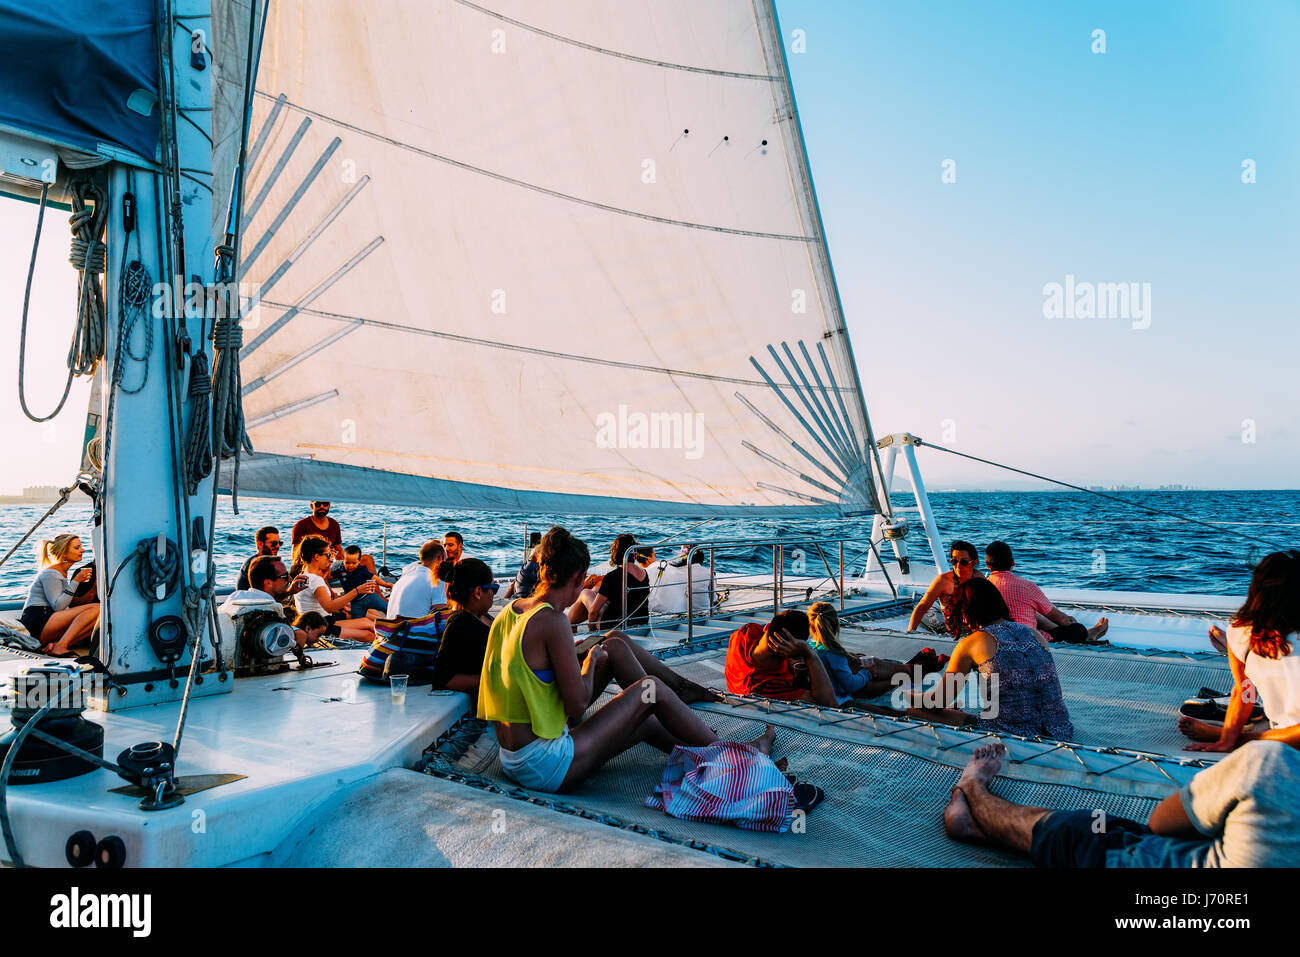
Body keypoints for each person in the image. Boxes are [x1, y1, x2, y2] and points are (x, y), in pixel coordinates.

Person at [478, 525, 754, 793]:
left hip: (514, 757)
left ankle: (710, 752)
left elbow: (529, 674)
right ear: (579, 578)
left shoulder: (510, 612)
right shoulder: (553, 621)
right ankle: (741, 762)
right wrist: (589, 665)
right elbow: (578, 705)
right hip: (545, 765)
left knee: (619, 653)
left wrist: (592, 657)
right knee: (650, 689)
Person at [943, 740, 1300, 867]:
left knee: (1077, 826)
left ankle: (974, 788)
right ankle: (979, 827)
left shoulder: (1268, 764)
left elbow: (1161, 822)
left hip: (1132, 860)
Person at [903, 578, 1075, 737]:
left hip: (1013, 733)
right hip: (1061, 729)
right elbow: (1057, 691)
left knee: (915, 711)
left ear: (964, 611)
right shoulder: (1033, 633)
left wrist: (911, 695)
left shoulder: (971, 643)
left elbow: (937, 702)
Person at [1180, 550, 1300, 752]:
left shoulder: (1239, 632)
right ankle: (1252, 738)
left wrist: (1227, 738)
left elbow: (1245, 690)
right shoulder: (1239, 634)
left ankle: (1246, 738)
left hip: (1283, 733)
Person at [984, 541, 1109, 645]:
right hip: (1028, 640)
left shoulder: (982, 586)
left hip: (994, 639)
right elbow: (1061, 619)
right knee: (1077, 629)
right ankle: (1089, 634)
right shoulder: (1027, 586)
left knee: (1035, 614)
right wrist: (1071, 621)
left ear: (988, 566)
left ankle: (1087, 633)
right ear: (1012, 563)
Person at [724, 609, 839, 707]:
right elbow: (830, 704)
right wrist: (809, 653)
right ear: (788, 652)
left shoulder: (745, 633)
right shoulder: (767, 686)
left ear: (767, 627)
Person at [806, 602, 914, 705]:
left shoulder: (809, 646)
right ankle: (907, 674)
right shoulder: (834, 652)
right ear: (837, 625)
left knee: (859, 661)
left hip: (833, 689)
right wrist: (867, 672)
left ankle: (908, 673)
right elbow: (851, 685)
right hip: (840, 696)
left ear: (811, 627)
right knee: (869, 683)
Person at [20, 534, 99, 656]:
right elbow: (58, 606)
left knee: (100, 615)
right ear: (64, 553)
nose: (83, 550)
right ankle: (60, 646)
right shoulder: (52, 574)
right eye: (77, 548)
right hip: (37, 621)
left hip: (48, 619)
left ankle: (57, 644)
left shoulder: (62, 572)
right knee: (97, 609)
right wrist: (76, 581)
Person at [430, 558, 499, 699]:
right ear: (478, 592)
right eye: (492, 588)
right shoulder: (459, 622)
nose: (493, 594)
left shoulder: (482, 616)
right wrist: (496, 682)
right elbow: (441, 679)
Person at [292, 535, 376, 640]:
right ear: (316, 557)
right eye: (328, 555)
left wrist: (343, 602)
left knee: (367, 621)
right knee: (369, 634)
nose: (330, 558)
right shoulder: (314, 580)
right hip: (321, 628)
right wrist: (357, 591)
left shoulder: (304, 575)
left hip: (318, 622)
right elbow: (330, 607)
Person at [906, 540, 984, 639]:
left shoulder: (979, 579)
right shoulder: (943, 581)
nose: (958, 566)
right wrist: (910, 634)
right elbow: (922, 608)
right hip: (950, 632)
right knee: (926, 610)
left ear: (974, 563)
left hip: (974, 633)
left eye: (963, 562)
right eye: (954, 561)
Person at [587, 534, 650, 630]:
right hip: (641, 621)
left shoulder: (612, 576)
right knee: (596, 590)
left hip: (616, 625)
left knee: (586, 593)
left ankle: (571, 628)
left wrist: (591, 629)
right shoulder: (644, 574)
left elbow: (593, 612)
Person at [386, 540, 448, 618]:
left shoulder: (406, 575)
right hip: (410, 629)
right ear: (439, 558)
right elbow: (441, 618)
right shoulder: (436, 582)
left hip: (390, 627)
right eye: (445, 560)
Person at [340, 545, 388, 617]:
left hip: (369, 596)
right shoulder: (339, 570)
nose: (350, 566)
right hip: (355, 602)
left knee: (385, 607)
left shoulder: (361, 569)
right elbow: (329, 574)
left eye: (353, 563)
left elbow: (374, 577)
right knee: (357, 619)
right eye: (347, 563)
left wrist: (386, 584)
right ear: (343, 560)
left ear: (359, 561)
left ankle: (394, 617)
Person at [236, 525, 281, 590]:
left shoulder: (266, 562)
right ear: (260, 544)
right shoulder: (256, 564)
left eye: (280, 543)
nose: (278, 546)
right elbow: (266, 593)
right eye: (274, 543)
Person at [504, 532, 542, 600]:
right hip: (524, 601)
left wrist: (505, 601)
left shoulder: (525, 566)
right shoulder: (533, 566)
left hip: (515, 599)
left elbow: (513, 585)